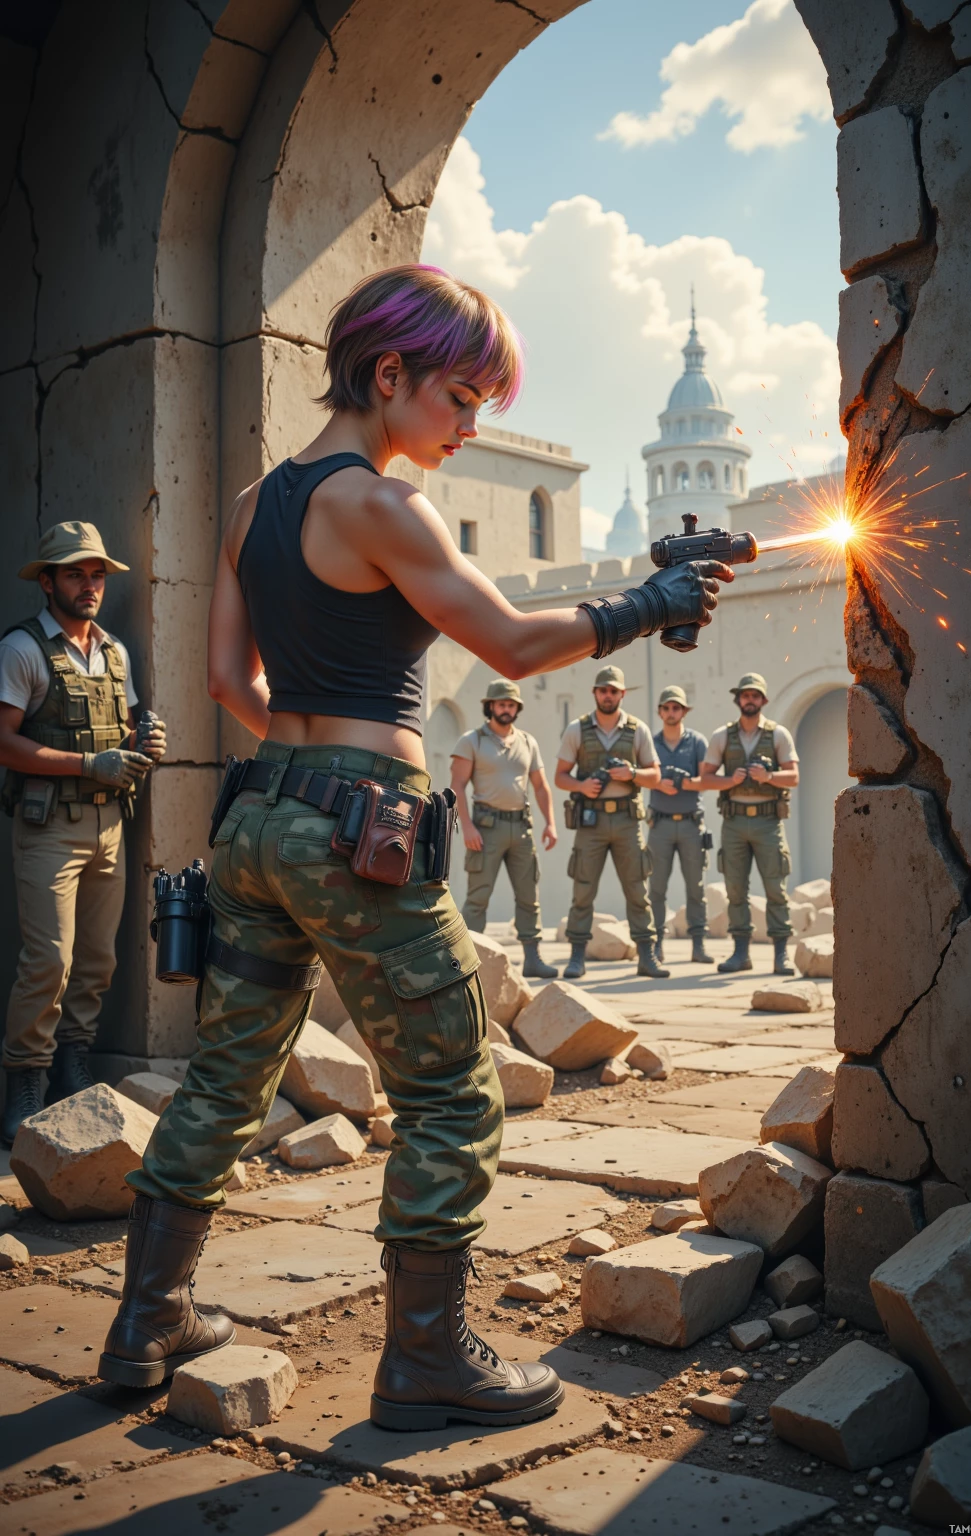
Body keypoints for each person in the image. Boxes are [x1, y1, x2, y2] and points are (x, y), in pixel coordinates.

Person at [99, 265, 730, 1424]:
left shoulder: (254, 503)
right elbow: (509, 644)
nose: (471, 424)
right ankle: (427, 1361)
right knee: (450, 1090)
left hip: (256, 819)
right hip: (355, 828)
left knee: (228, 1075)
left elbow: (224, 681)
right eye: (461, 395)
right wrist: (650, 601)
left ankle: (146, 1323)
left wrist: (300, 767)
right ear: (386, 373)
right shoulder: (383, 504)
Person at [0, 523, 165, 1147]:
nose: (90, 585)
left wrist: (143, 743)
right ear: (47, 582)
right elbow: (3, 742)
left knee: (97, 962)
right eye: (75, 573)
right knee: (50, 962)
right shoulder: (22, 650)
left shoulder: (114, 653)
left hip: (107, 828)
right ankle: (25, 1083)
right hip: (49, 830)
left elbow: (121, 734)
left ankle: (74, 1067)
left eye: (97, 574)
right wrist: (83, 764)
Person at [554, 666, 668, 981]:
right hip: (590, 821)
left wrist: (631, 774)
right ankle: (577, 957)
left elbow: (655, 776)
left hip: (627, 821)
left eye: (613, 690)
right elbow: (560, 776)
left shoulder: (638, 729)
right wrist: (581, 786)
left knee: (636, 889)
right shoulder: (577, 729)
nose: (608, 695)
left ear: (622, 694)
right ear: (595, 693)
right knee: (583, 889)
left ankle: (647, 956)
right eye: (603, 690)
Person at [451, 679, 558, 979]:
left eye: (511, 704)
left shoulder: (527, 741)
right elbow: (457, 786)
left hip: (521, 828)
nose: (506, 709)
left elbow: (540, 786)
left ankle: (533, 957)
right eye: (501, 704)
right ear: (490, 706)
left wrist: (550, 822)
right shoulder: (472, 740)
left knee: (528, 895)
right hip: (485, 828)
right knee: (478, 897)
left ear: (517, 709)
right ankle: (466, 961)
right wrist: (467, 826)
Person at [700, 673, 800, 975]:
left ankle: (781, 954)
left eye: (755, 696)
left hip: (768, 822)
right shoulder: (722, 736)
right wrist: (729, 780)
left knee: (775, 888)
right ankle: (740, 952)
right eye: (746, 695)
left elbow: (793, 777)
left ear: (764, 700)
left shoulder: (778, 734)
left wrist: (768, 777)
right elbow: (704, 778)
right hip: (734, 822)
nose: (750, 700)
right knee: (735, 889)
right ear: (738, 699)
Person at [647, 686, 711, 965]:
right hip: (659, 824)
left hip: (690, 824)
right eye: (666, 708)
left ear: (684, 711)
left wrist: (686, 783)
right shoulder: (650, 742)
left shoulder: (697, 742)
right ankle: (656, 945)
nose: (671, 712)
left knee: (696, 887)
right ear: (660, 712)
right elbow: (639, 776)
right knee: (656, 888)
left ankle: (698, 945)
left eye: (676, 708)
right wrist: (657, 782)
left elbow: (707, 781)